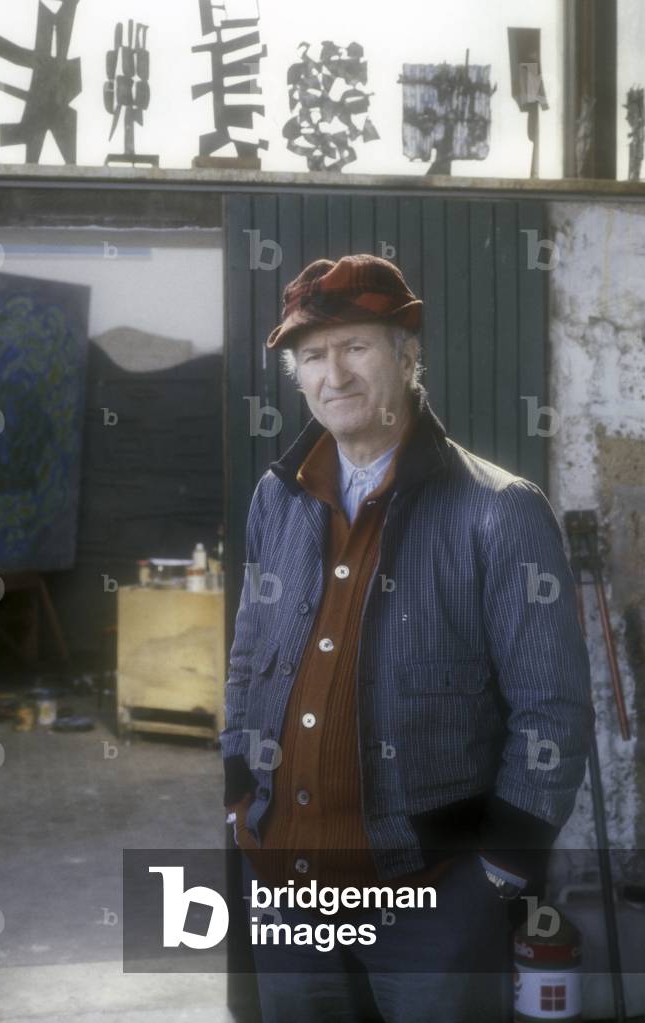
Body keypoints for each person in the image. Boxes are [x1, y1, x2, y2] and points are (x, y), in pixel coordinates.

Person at [220, 253, 594, 1022]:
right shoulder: (275, 498)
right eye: (313, 356)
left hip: (438, 892)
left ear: (407, 355)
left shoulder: (499, 509)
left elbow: (551, 710)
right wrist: (237, 793)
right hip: (287, 885)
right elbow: (249, 654)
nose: (335, 374)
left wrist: (498, 870)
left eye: (356, 346)